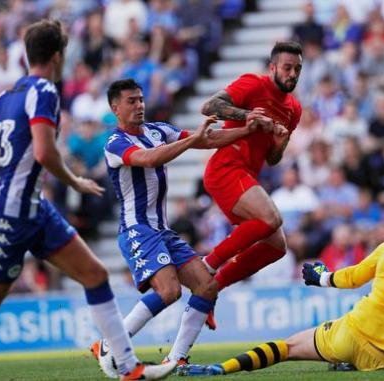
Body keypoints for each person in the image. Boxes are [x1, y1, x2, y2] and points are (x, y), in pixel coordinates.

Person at [0, 20, 173, 381]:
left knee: (95, 275)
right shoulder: (44, 90)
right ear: (59, 55)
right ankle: (127, 366)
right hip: (11, 214)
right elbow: (45, 153)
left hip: (33, 208)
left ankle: (128, 368)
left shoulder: (7, 95)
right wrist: (75, 181)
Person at [178, 197, 384, 376]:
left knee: (287, 347)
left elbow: (352, 278)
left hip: (347, 336)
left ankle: (221, 368)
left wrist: (322, 277)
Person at [91, 78, 260, 377]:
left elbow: (206, 139)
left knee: (207, 286)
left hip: (162, 230)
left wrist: (246, 129)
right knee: (169, 291)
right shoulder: (115, 143)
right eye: (131, 101)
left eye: (141, 99)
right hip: (137, 229)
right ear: (115, 108)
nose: (139, 105)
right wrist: (194, 139)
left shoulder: (158, 130)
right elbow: (150, 158)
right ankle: (111, 343)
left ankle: (178, 358)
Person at [199, 41, 303, 299]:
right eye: (287, 68)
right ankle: (206, 266)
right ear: (272, 68)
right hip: (226, 167)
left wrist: (280, 145)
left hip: (245, 175)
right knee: (272, 219)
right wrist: (247, 115)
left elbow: (272, 159)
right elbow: (209, 107)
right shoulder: (254, 84)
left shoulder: (294, 109)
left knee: (277, 247)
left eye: (297, 69)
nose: (292, 74)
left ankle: (211, 290)